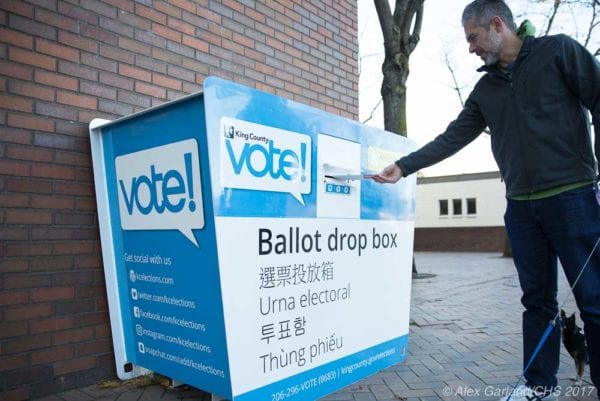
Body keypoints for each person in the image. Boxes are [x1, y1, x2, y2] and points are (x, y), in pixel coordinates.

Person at [373, 0, 600, 399]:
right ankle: (539, 387)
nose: (471, 47)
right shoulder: (486, 89)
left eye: (473, 37)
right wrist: (404, 167)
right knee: (537, 302)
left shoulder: (559, 52)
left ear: (497, 25)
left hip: (573, 197)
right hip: (522, 209)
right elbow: (453, 137)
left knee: (594, 298)